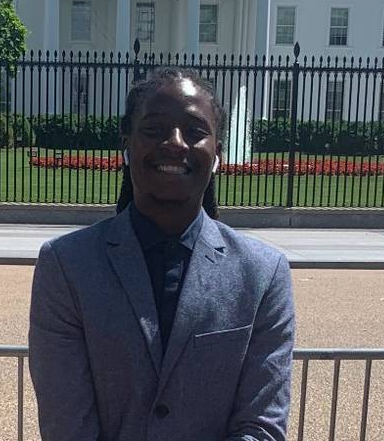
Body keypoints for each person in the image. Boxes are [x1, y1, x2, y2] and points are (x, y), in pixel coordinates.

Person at [29, 67, 295, 441]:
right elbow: (68, 427)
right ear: (127, 145)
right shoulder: (66, 266)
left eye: (194, 131)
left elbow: (261, 428)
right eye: (154, 130)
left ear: (217, 153)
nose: (174, 142)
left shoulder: (263, 274)